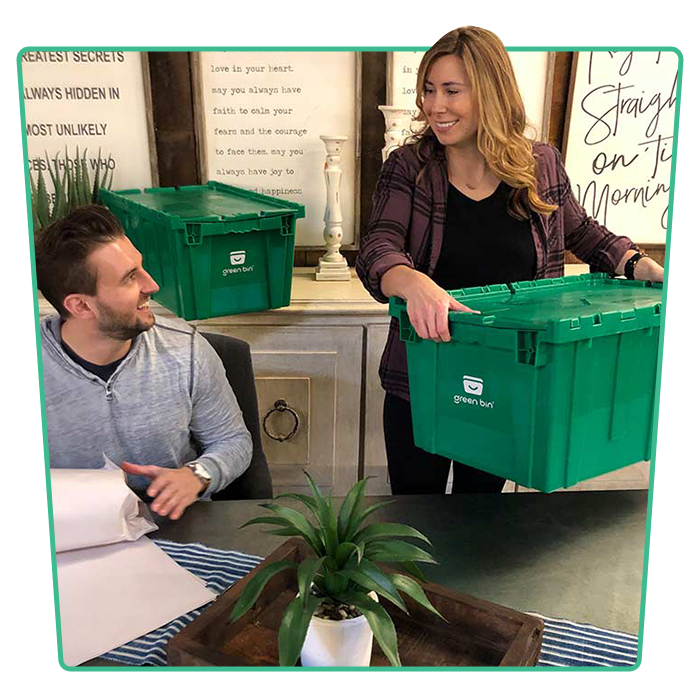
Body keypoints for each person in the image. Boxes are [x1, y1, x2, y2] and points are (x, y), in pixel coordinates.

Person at [356, 26, 670, 496]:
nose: (435, 106)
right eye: (428, 90)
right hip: (423, 381)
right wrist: (412, 282)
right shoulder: (408, 167)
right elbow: (378, 248)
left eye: (451, 91)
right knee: (414, 516)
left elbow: (583, 233)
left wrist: (640, 266)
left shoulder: (540, 165)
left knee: (485, 516)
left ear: (490, 92)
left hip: (508, 381)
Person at [32, 205, 253, 519]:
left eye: (141, 267)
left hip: (177, 523)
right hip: (75, 530)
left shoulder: (187, 351)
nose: (151, 285)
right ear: (81, 306)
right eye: (130, 278)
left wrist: (198, 475)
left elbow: (233, 441)